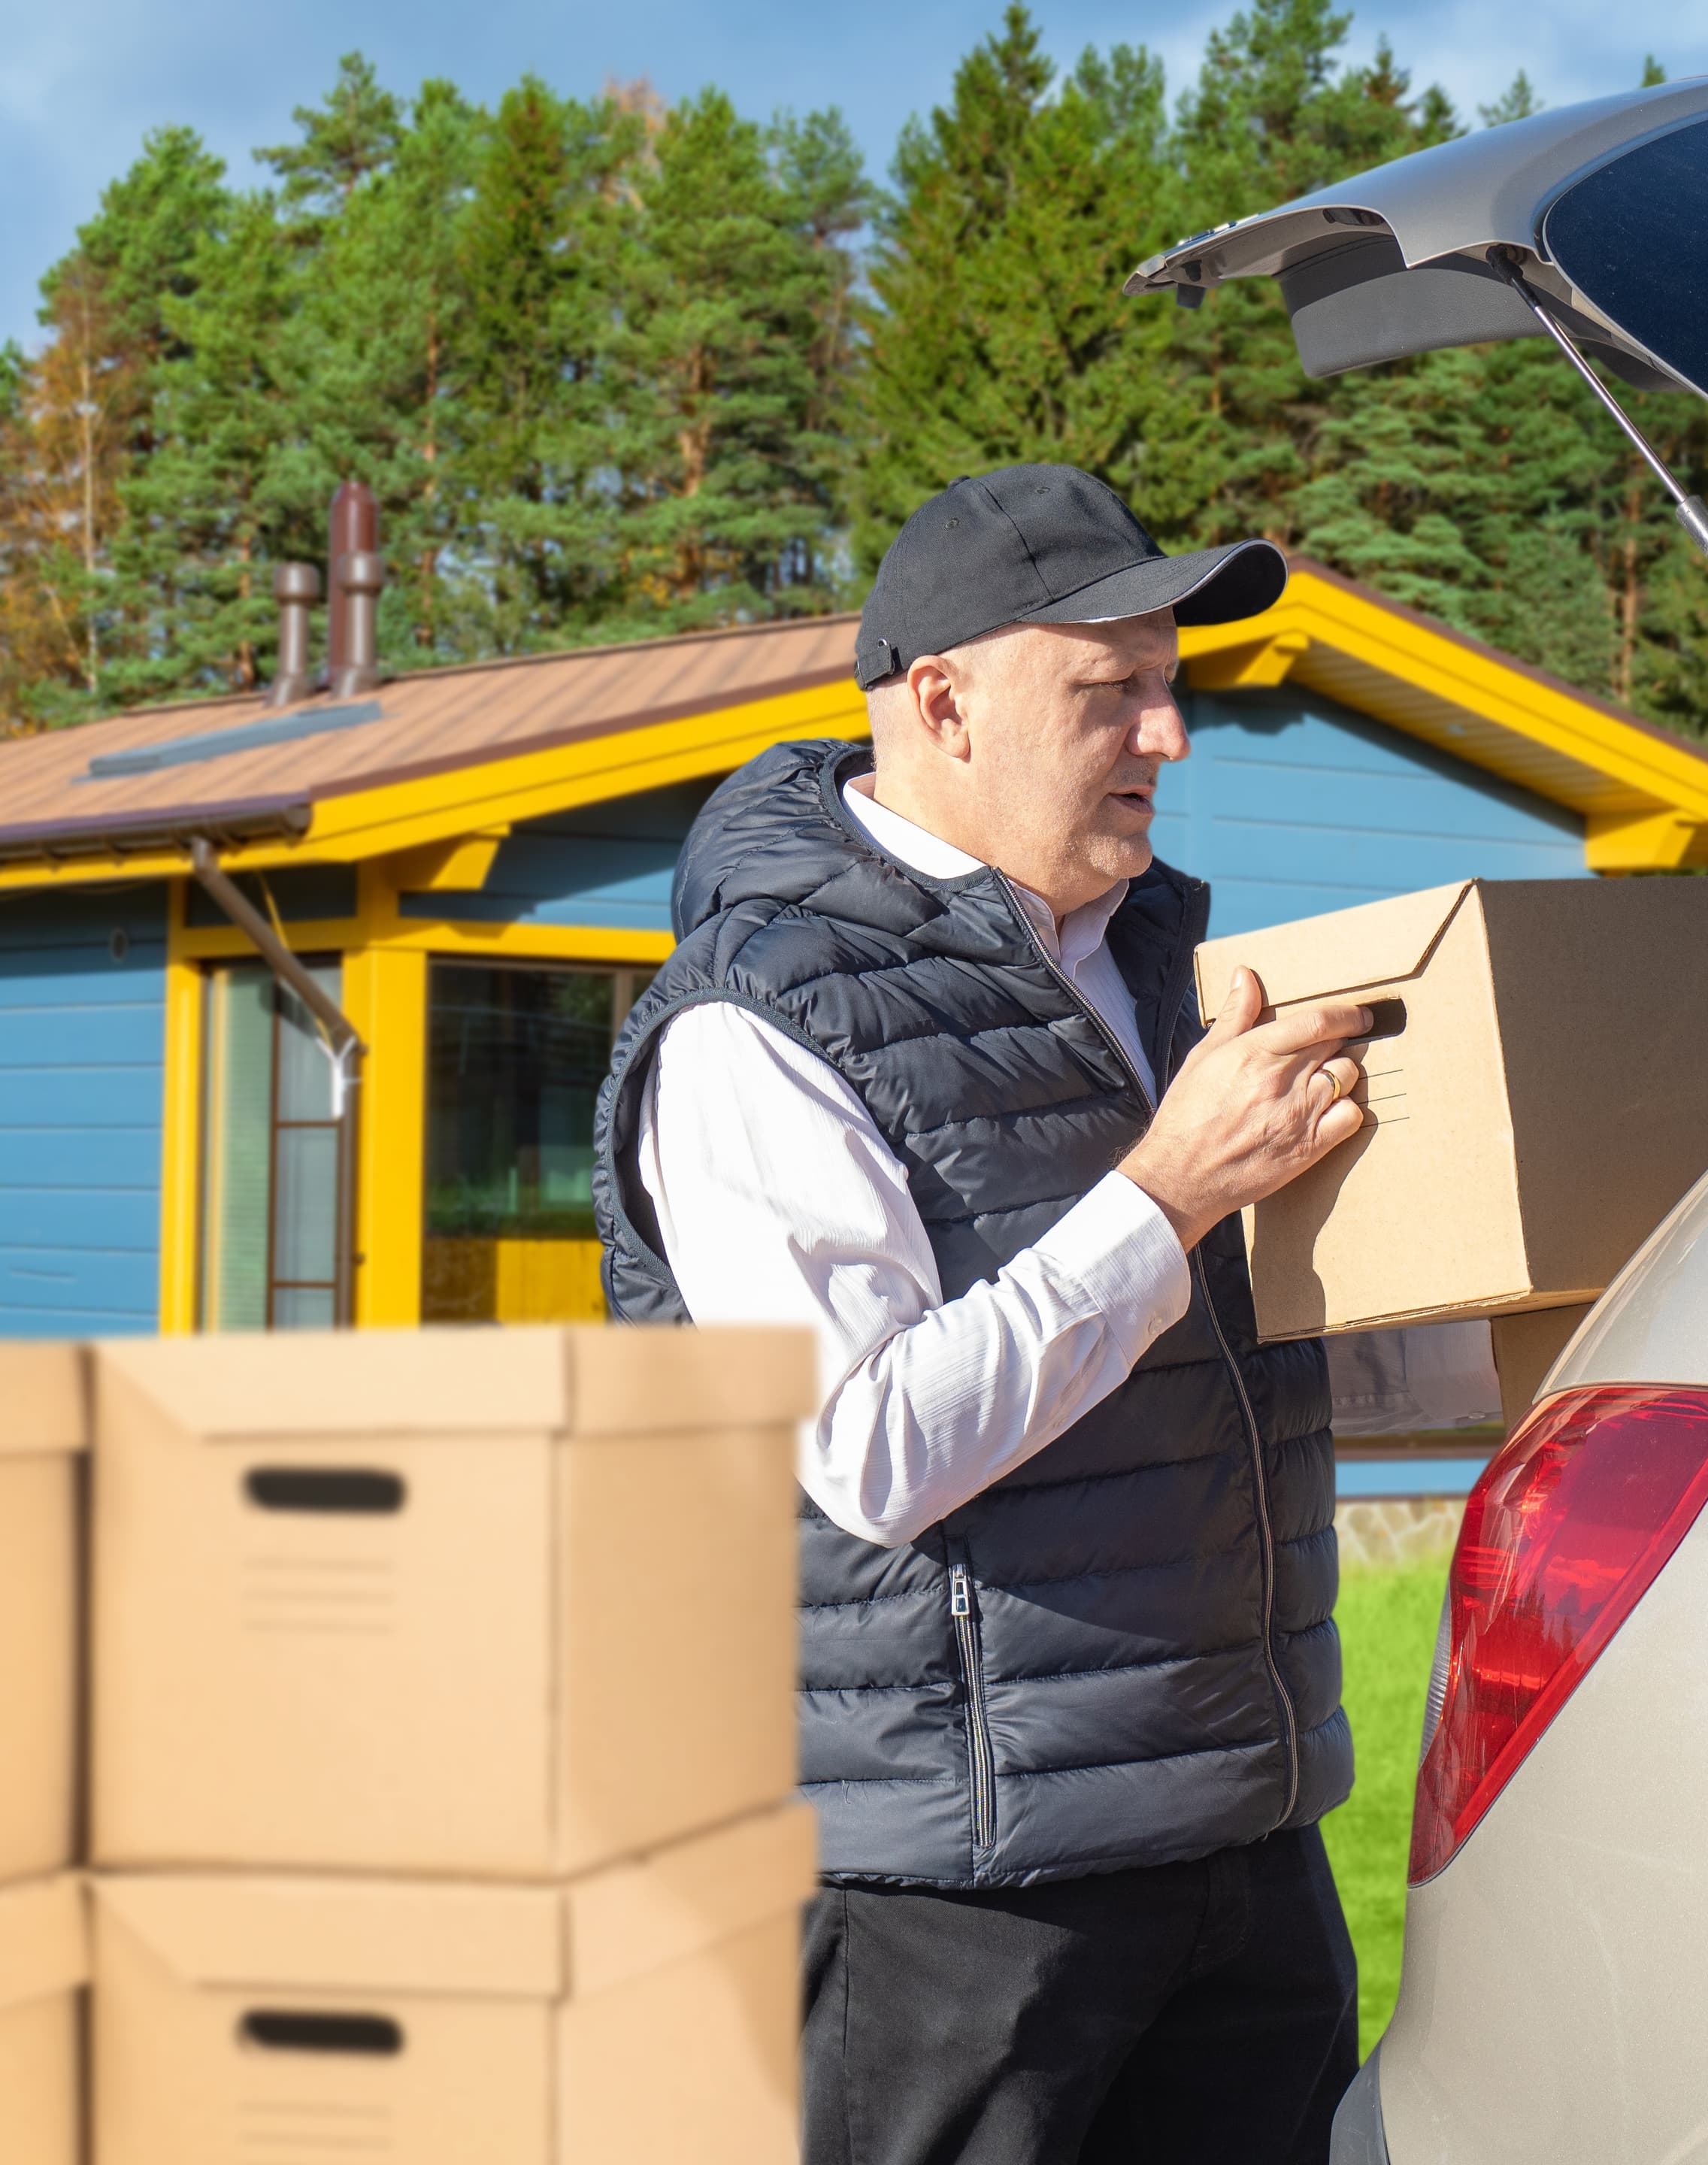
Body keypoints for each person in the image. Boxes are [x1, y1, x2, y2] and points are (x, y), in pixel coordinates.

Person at [590, 465, 1373, 2165]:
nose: (1171, 740)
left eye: (1173, 690)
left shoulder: (1167, 967)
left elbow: (1228, 1361)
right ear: (942, 703)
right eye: (1117, 694)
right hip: (951, 1895)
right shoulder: (758, 1025)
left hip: (1239, 1835)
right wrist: (1172, 1189)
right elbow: (868, 1449)